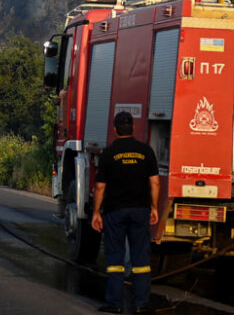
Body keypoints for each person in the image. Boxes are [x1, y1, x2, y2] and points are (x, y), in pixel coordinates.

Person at [91, 111, 160, 315]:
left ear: (114, 129)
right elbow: (155, 182)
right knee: (141, 260)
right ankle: (141, 304)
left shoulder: (108, 154)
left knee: (115, 259)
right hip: (140, 211)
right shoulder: (146, 151)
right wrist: (154, 207)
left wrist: (96, 212)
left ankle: (115, 303)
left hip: (115, 212)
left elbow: (100, 187)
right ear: (133, 128)